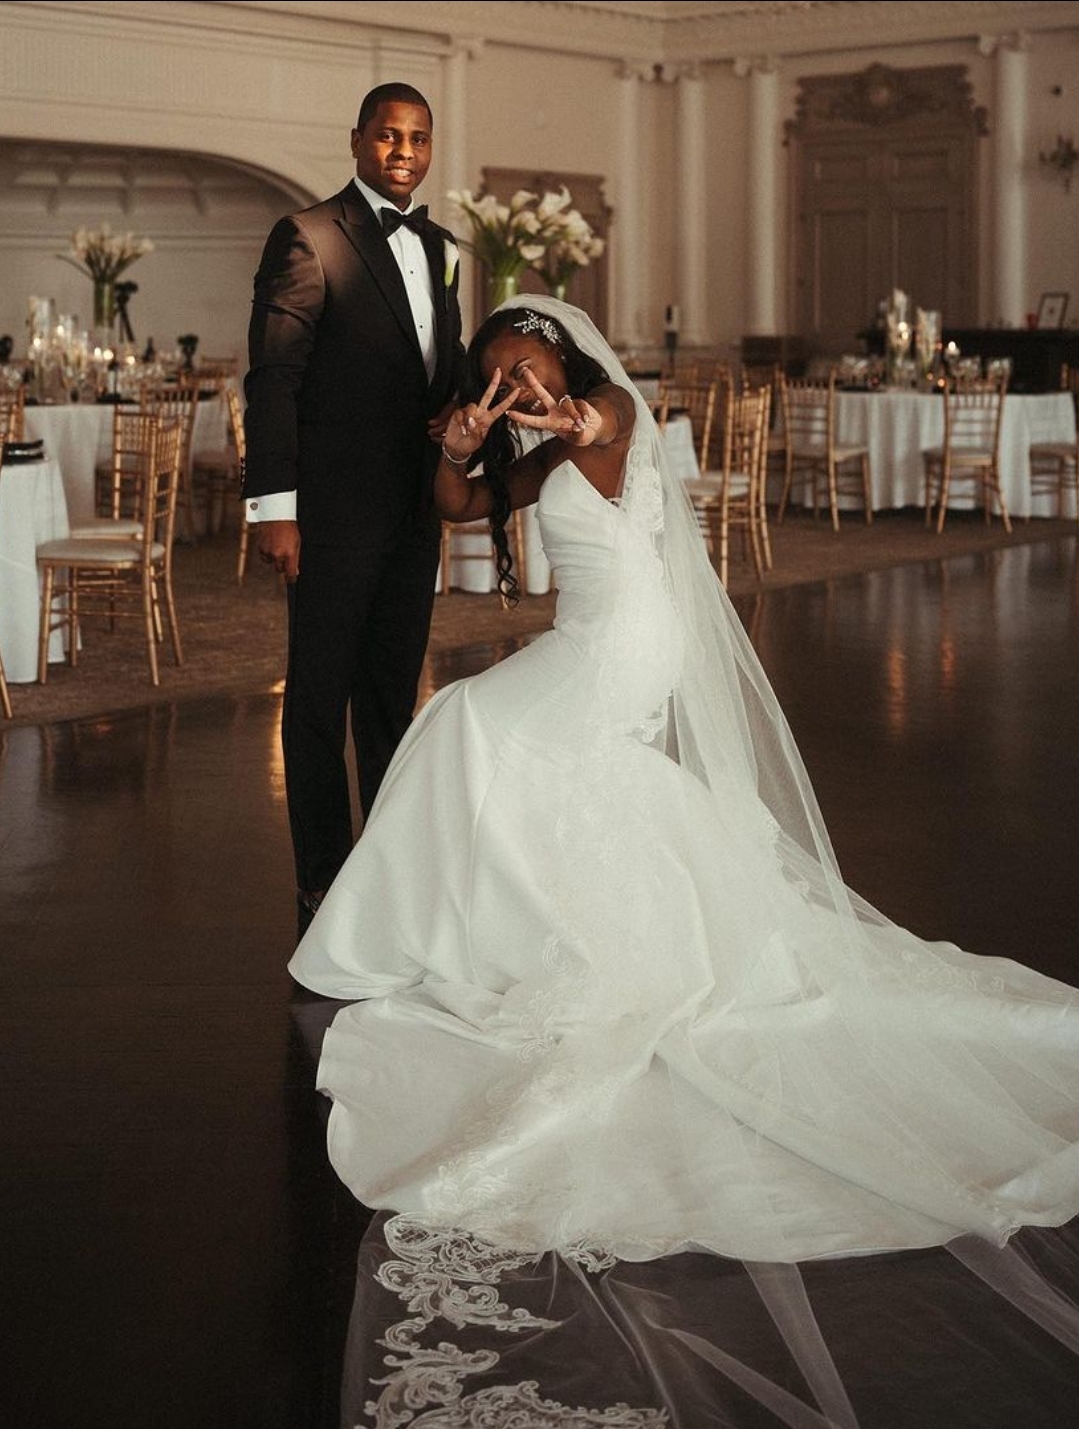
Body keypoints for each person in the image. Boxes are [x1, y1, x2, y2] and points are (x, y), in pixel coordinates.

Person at [288, 295, 1079, 1421]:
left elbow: (586, 427)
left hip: (617, 647)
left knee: (461, 725)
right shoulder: (535, 441)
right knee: (504, 747)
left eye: (521, 364)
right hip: (607, 645)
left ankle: (413, 930)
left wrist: (541, 408)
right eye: (492, 371)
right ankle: (494, 918)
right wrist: (463, 449)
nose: (509, 382)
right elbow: (462, 506)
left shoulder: (606, 409)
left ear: (559, 357)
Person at [242, 82, 466, 943]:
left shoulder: (443, 247)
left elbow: (433, 375)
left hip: (415, 510)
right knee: (316, 700)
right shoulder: (307, 235)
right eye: (387, 136)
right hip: (328, 513)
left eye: (416, 138)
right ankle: (322, 883)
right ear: (358, 141)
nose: (402, 150)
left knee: (390, 698)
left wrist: (462, 419)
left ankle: (385, 872)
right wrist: (274, 507)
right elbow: (274, 379)